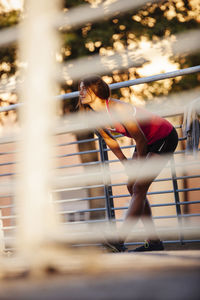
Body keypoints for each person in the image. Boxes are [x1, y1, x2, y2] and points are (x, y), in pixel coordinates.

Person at [78, 75, 178, 252]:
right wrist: (125, 163)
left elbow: (139, 138)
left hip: (163, 136)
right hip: (146, 141)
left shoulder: (117, 108)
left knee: (138, 187)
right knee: (133, 187)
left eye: (85, 88)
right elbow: (111, 141)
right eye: (80, 88)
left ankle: (118, 241)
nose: (81, 92)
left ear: (96, 90)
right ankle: (154, 242)